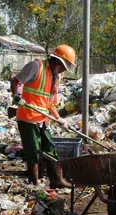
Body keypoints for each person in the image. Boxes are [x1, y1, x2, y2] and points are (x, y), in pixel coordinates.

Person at [11, 44, 76, 188]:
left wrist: (59, 119)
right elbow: (15, 80)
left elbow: (50, 103)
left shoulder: (56, 77)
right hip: (27, 117)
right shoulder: (36, 66)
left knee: (50, 148)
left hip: (43, 119)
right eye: (64, 66)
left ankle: (56, 180)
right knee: (33, 150)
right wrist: (16, 96)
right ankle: (34, 182)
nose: (64, 70)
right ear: (58, 62)